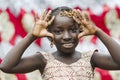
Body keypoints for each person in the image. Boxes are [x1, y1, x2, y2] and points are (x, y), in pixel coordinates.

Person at [0, 6, 120, 80]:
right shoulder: (43, 60)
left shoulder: (91, 58)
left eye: (73, 30)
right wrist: (32, 35)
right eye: (58, 31)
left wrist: (98, 32)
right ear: (49, 35)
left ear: (81, 31)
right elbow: (6, 66)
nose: (67, 36)